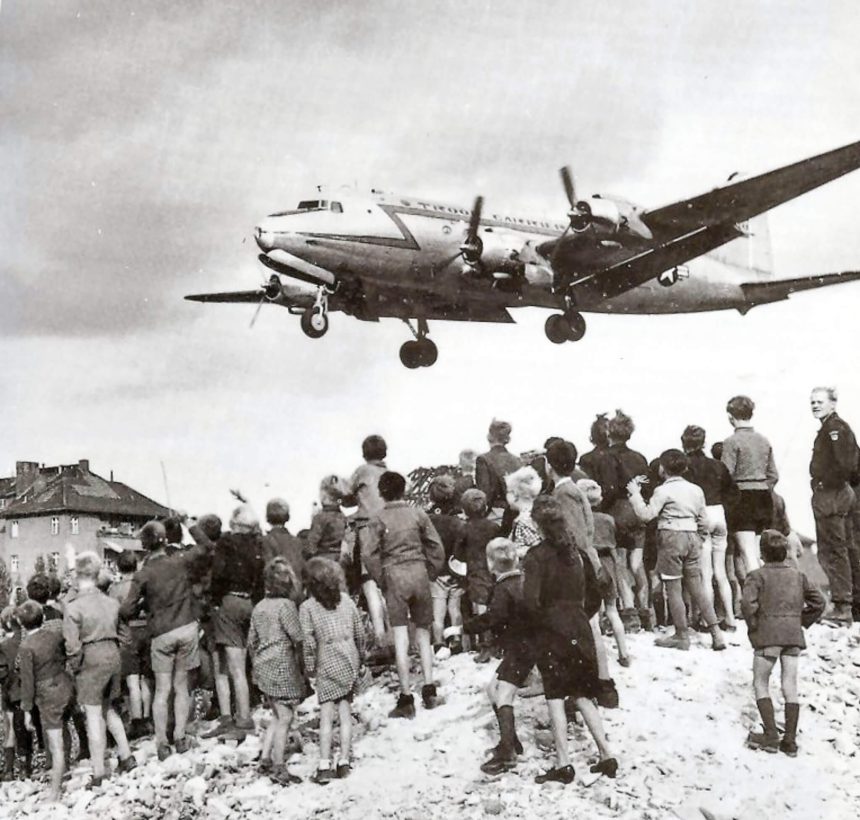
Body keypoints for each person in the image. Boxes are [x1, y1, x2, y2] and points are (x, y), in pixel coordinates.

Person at [525, 497, 617, 786]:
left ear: (537, 525)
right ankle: (606, 754)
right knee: (583, 693)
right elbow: (595, 594)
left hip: (552, 629)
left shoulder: (536, 556)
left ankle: (564, 763)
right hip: (579, 626)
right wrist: (577, 615)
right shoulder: (576, 552)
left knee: (554, 695)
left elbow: (531, 602)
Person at [120, 521, 209, 758]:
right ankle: (180, 735)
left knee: (162, 690)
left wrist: (143, 604)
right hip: (187, 626)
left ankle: (161, 742)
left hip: (161, 633)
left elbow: (126, 610)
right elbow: (207, 546)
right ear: (165, 540)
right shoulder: (180, 561)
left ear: (144, 545)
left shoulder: (143, 574)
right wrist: (189, 522)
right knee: (182, 687)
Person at [627, 450, 727, 652]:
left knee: (673, 588)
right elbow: (703, 519)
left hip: (672, 536)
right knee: (697, 587)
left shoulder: (662, 491)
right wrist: (699, 539)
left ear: (662, 469)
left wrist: (635, 495)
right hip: (692, 536)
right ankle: (716, 633)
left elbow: (646, 515)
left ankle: (681, 635)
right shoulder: (696, 490)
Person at [364, 471, 445, 716]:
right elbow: (436, 546)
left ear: (381, 492)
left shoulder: (377, 518)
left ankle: (406, 698)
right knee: (423, 633)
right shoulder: (418, 513)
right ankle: (429, 690)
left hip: (394, 575)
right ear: (404, 490)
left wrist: (381, 578)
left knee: (400, 636)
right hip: (418, 572)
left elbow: (368, 554)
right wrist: (430, 571)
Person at [741, 530, 826, 756]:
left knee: (761, 682)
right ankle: (789, 741)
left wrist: (754, 627)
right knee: (790, 686)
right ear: (785, 552)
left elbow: (748, 606)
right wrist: (800, 622)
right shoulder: (798, 576)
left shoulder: (756, 576)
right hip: (792, 636)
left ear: (762, 553)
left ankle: (770, 736)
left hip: (767, 636)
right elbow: (819, 603)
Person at [64, 551, 136, 786]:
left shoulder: (74, 607)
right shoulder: (111, 602)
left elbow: (72, 646)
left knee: (93, 715)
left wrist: (75, 669)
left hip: (90, 657)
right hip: (113, 654)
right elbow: (126, 635)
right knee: (108, 707)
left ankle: (98, 771)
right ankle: (126, 756)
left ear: (77, 574)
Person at [462, 537, 530, 775]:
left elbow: (493, 618)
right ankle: (510, 740)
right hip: (526, 645)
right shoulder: (524, 581)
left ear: (491, 563)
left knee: (503, 695)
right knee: (493, 689)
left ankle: (508, 754)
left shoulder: (502, 588)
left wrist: (465, 628)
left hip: (520, 649)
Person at [300, 558, 365, 784]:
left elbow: (308, 642)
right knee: (346, 713)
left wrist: (309, 669)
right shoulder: (346, 601)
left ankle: (324, 763)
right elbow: (360, 632)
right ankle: (344, 761)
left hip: (326, 660)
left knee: (326, 716)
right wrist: (361, 658)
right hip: (348, 657)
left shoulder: (307, 607)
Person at [205, 504, 265, 740]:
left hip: (229, 602)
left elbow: (218, 574)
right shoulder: (257, 545)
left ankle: (241, 720)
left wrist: (216, 600)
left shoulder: (226, 544)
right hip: (250, 602)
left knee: (234, 667)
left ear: (236, 523)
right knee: (248, 663)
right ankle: (245, 712)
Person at [248, 558, 305, 786]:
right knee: (286, 717)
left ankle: (265, 758)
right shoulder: (286, 606)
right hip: (282, 665)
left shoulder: (259, 606)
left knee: (275, 714)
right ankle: (279, 766)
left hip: (262, 665)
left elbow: (251, 640)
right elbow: (297, 637)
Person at [809, 387, 859, 625]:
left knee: (833, 549)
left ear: (832, 404)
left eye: (820, 402)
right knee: (844, 548)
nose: (815, 406)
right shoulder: (831, 427)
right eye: (813, 402)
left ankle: (842, 606)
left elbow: (845, 466)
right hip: (838, 492)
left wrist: (821, 484)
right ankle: (849, 604)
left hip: (833, 494)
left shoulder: (835, 428)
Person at [681, 425, 737, 631]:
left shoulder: (685, 467)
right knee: (720, 572)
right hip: (719, 513)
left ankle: (707, 619)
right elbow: (733, 492)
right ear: (703, 442)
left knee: (706, 573)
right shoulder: (717, 465)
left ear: (683, 442)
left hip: (701, 515)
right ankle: (730, 619)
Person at [16, 600, 73, 800]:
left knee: (54, 742)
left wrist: (26, 712)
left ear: (21, 623)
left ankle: (55, 792)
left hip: (46, 692)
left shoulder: (25, 647)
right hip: (65, 683)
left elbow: (28, 683)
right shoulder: (55, 635)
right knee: (63, 727)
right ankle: (65, 769)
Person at [721, 395, 779, 579]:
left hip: (742, 499)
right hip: (763, 498)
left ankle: (760, 598)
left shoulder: (731, 442)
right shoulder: (764, 440)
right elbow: (773, 475)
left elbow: (725, 475)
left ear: (731, 416)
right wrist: (762, 486)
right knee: (759, 551)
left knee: (747, 553)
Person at [606, 411, 651, 632]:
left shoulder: (608, 457)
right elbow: (646, 486)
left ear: (609, 432)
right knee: (637, 564)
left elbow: (610, 489)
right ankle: (646, 611)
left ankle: (630, 613)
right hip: (638, 508)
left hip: (618, 511)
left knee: (621, 564)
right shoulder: (640, 458)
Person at [343, 434, 390, 645]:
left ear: (364, 453)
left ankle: (379, 634)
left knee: (368, 580)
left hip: (367, 529)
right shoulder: (388, 474)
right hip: (388, 528)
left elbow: (345, 496)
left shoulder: (362, 471)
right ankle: (394, 634)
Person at [578, 479, 629, 667]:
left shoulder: (581, 521)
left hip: (591, 564)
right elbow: (614, 545)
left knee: (593, 616)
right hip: (608, 564)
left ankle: (597, 658)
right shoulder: (608, 519)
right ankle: (624, 652)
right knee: (612, 610)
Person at [108, 550, 152, 740]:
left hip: (127, 636)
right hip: (147, 632)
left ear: (119, 567)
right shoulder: (144, 585)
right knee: (146, 679)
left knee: (133, 682)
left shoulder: (115, 590)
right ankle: (148, 717)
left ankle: (137, 721)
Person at [455, 489, 501, 662]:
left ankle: (485, 647)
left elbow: (458, 554)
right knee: (494, 608)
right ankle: (496, 645)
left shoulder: (464, 529)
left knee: (480, 610)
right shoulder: (494, 527)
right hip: (493, 571)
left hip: (476, 573)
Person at [426, 475, 466, 656]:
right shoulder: (457, 521)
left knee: (438, 611)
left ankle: (438, 643)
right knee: (455, 608)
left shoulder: (427, 520)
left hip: (435, 572)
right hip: (455, 570)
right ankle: (456, 640)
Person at [0, 606, 31, 781]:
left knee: (10, 729)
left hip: (9, 691)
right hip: (25, 690)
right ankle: (26, 768)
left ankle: (9, 769)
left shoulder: (3, 646)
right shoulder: (25, 640)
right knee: (25, 730)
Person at [475, 419, 523, 528]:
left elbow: (485, 493)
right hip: (517, 513)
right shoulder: (517, 460)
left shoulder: (483, 459)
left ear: (489, 436)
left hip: (496, 515)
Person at [262, 498, 307, 587]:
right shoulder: (297, 541)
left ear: (267, 518)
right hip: (297, 589)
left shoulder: (266, 540)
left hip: (277, 589)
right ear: (287, 517)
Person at [306, 478, 349, 567]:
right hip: (341, 563)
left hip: (324, 564)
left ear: (324, 495)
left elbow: (310, 547)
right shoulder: (343, 517)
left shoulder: (320, 517)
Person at [505, 466, 543, 560]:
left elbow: (536, 550)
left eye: (508, 491)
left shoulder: (523, 522)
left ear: (515, 495)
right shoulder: (538, 513)